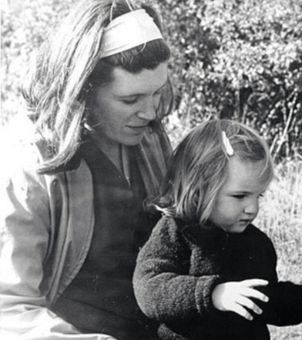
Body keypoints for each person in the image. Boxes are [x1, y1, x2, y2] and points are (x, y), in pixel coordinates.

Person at [0, 0, 174, 339]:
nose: (151, 113)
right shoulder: (26, 164)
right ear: (82, 90)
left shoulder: (149, 140)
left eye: (157, 93)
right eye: (130, 100)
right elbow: (9, 307)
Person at [133, 119, 302, 339]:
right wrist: (212, 294)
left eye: (259, 195)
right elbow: (149, 289)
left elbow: (263, 301)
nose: (253, 208)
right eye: (240, 196)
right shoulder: (176, 232)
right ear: (200, 189)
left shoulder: (256, 243)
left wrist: (300, 301)